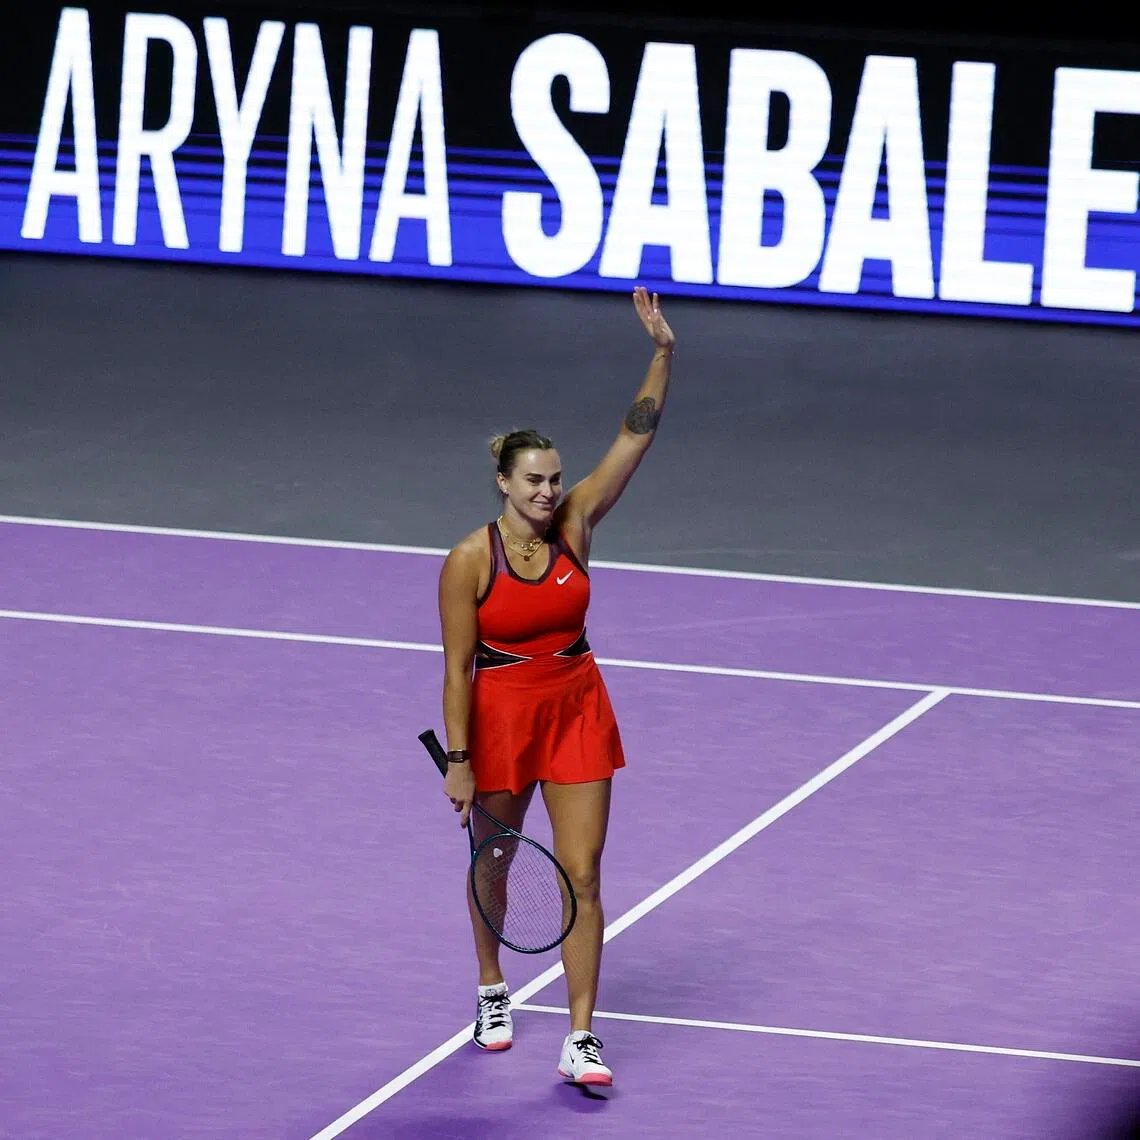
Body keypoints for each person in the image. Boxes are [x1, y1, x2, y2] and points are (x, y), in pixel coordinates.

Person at [436, 286, 676, 1087]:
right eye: (534, 480)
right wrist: (460, 760)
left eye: (554, 479)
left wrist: (662, 352)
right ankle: (492, 987)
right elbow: (456, 669)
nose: (548, 491)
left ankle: (581, 1036)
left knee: (584, 873)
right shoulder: (471, 559)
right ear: (503, 482)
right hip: (501, 716)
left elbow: (633, 439)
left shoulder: (576, 526)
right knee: (493, 864)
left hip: (576, 706)